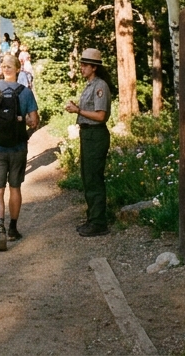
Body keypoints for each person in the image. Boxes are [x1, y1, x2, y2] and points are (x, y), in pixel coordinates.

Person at [0, 54, 39, 251]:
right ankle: (13, 228)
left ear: (3, 69)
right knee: (15, 188)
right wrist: (24, 126)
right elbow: (34, 121)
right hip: (18, 147)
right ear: (18, 69)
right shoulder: (26, 93)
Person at [66, 47, 111, 237]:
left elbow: (101, 116)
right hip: (87, 134)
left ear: (94, 67)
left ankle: (99, 222)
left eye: (85, 65)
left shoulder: (100, 86)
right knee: (87, 177)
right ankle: (92, 217)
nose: (82, 68)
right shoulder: (90, 86)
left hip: (96, 134)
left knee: (94, 178)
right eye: (81, 65)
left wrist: (78, 111)